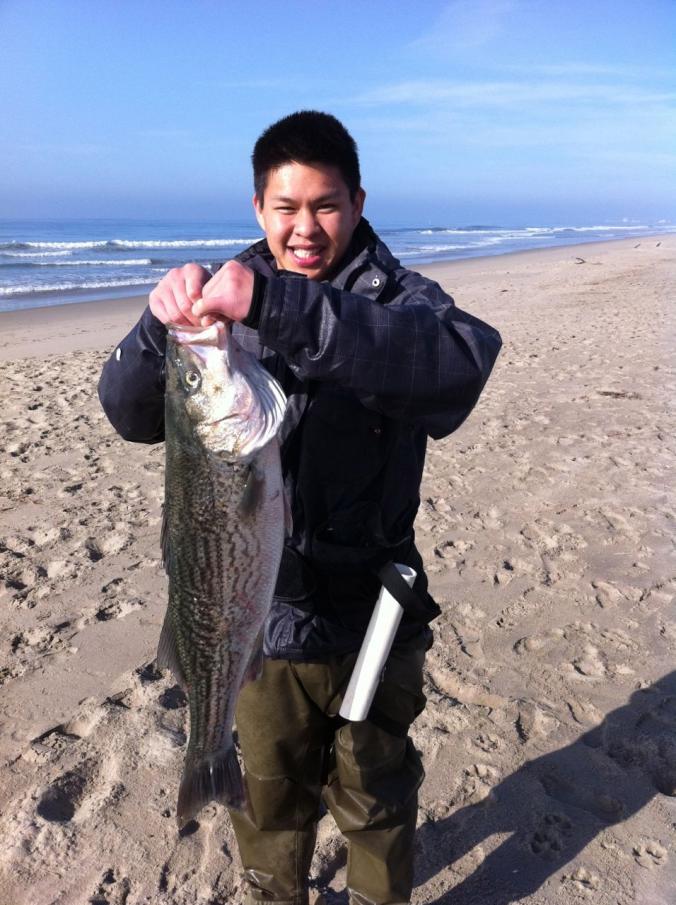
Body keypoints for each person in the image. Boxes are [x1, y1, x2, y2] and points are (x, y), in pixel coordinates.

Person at [98, 110, 502, 905]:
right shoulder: (220, 302)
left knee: (376, 791)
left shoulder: (401, 301)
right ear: (258, 208)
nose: (305, 228)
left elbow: (458, 366)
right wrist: (157, 328)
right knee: (273, 795)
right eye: (285, 208)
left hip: (373, 614)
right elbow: (127, 413)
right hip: (260, 619)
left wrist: (280, 306)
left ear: (356, 201)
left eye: (324, 205)